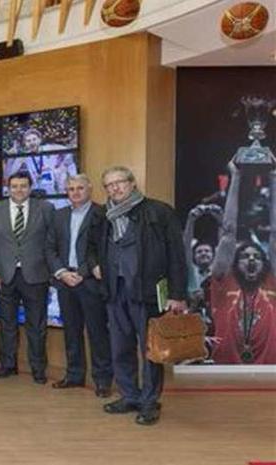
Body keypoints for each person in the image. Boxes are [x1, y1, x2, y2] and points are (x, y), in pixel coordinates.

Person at [95, 165, 187, 426]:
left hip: (146, 293)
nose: (115, 188)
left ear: (132, 183)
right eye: (109, 185)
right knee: (120, 348)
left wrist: (177, 293)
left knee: (151, 351)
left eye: (120, 182)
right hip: (115, 291)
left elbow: (177, 256)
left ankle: (149, 402)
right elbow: (91, 246)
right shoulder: (103, 215)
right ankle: (129, 396)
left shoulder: (158, 211)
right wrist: (94, 264)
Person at [45, 175, 113, 397]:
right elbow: (49, 249)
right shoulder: (58, 216)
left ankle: (102, 380)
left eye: (80, 188)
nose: (75, 192)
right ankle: (74, 375)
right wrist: (62, 273)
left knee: (98, 333)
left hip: (91, 282)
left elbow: (104, 250)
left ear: (90, 189)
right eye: (71, 189)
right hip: (65, 282)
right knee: (71, 332)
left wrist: (82, 273)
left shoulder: (102, 214)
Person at [0, 171, 55, 384]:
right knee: (7, 323)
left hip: (36, 275)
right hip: (4, 275)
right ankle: (7, 365)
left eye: (23, 186)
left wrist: (53, 273)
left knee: (37, 325)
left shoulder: (45, 208)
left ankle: (38, 368)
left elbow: (52, 242)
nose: (18, 190)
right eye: (14, 186)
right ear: (8, 188)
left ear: (30, 187)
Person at [207, 163, 276, 364]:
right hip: (226, 371)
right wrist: (235, 176)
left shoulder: (272, 282)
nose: (252, 259)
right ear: (235, 263)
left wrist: (273, 177)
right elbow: (228, 231)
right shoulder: (224, 282)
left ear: (266, 264)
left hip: (271, 372)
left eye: (257, 256)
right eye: (245, 256)